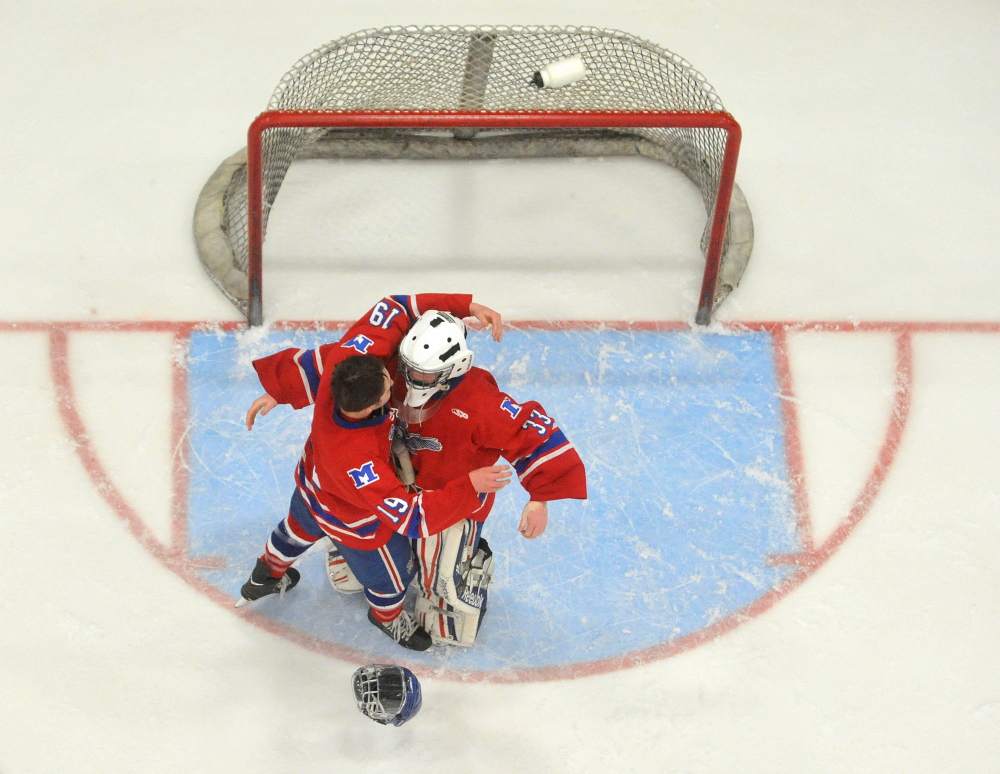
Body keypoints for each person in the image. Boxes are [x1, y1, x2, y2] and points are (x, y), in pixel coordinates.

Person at [237, 294, 510, 651]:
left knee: (295, 529)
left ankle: (264, 575)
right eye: (388, 389)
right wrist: (469, 486)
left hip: (311, 486)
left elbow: (394, 307)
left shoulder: (348, 362)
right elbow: (412, 517)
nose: (394, 379)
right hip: (352, 521)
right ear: (372, 407)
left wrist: (466, 306)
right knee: (392, 577)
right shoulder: (360, 463)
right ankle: (386, 618)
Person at [385, 309, 587, 646]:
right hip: (395, 488)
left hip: (453, 499)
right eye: (411, 369)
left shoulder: (480, 402)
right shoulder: (393, 372)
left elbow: (533, 431)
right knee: (369, 538)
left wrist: (541, 498)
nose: (413, 379)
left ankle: (455, 584)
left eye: (425, 373)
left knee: (438, 573)